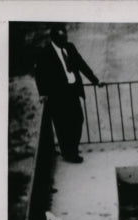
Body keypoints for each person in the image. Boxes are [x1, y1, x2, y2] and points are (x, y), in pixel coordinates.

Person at [34, 24, 104, 163]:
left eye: (65, 37)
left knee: (78, 120)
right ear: (53, 38)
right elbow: (40, 74)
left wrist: (96, 81)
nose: (64, 40)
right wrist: (42, 93)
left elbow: (82, 65)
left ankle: (72, 149)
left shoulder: (70, 47)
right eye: (61, 38)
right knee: (62, 126)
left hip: (72, 92)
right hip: (57, 96)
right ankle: (69, 154)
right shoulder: (46, 52)